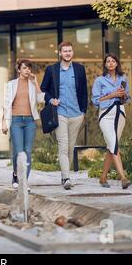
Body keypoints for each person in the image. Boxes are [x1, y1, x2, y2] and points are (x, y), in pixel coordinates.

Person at [40, 42, 88, 190]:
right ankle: (66, 178)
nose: (67, 53)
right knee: (63, 146)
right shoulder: (52, 70)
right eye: (65, 51)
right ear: (60, 53)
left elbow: (84, 92)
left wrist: (83, 112)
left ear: (72, 53)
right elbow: (43, 89)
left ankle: (63, 175)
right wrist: (50, 99)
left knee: (70, 147)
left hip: (76, 114)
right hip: (59, 113)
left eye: (70, 51)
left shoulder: (80, 69)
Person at [2, 59, 44, 192]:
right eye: (24, 68)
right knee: (18, 151)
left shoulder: (32, 84)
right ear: (19, 70)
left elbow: (41, 100)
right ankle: (15, 174)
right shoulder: (11, 84)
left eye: (29, 68)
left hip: (30, 121)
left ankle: (24, 181)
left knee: (28, 151)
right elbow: (7, 104)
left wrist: (36, 82)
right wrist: (3, 122)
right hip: (16, 121)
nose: (27, 70)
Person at [92, 53, 131, 189]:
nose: (110, 63)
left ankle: (103, 177)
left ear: (116, 63)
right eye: (108, 61)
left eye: (113, 61)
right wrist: (113, 94)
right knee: (113, 144)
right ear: (105, 64)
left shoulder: (123, 78)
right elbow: (95, 101)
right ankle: (123, 178)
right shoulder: (99, 80)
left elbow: (128, 98)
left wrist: (124, 95)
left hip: (120, 114)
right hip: (106, 115)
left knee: (111, 145)